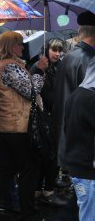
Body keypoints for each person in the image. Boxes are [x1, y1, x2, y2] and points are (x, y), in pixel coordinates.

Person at [0, 31, 48, 220]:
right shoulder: (8, 66)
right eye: (19, 44)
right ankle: (28, 212)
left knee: (5, 171)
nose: (23, 47)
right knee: (30, 168)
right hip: (18, 126)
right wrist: (39, 70)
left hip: (6, 126)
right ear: (10, 46)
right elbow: (31, 91)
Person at [54, 11, 95, 168]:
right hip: (85, 140)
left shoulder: (69, 57)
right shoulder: (90, 59)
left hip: (69, 135)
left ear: (79, 31)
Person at [30, 39, 67, 206]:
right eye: (54, 50)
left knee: (52, 154)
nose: (57, 54)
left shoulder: (59, 67)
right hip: (41, 118)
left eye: (60, 51)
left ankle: (47, 189)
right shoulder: (38, 66)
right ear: (46, 49)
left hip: (55, 116)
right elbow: (33, 91)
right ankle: (39, 190)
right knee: (43, 154)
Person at [63, 58, 95, 221]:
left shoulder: (77, 94)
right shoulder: (90, 98)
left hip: (78, 165)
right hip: (88, 168)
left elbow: (66, 128)